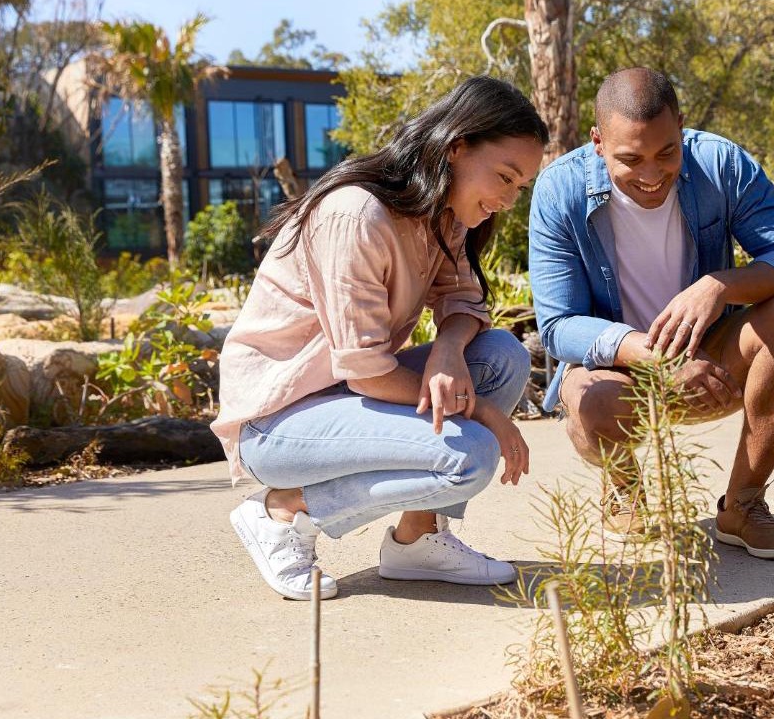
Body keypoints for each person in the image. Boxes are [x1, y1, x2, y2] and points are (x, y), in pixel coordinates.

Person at [211, 76, 549, 600]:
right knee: (469, 456)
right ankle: (282, 509)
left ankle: (418, 540)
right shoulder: (355, 214)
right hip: (277, 422)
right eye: (504, 177)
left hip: (345, 397)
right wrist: (481, 410)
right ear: (456, 147)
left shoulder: (443, 214)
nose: (507, 200)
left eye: (519, 187)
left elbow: (464, 302)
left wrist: (447, 349)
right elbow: (368, 373)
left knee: (501, 356)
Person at [528, 67, 774, 559]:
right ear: (598, 142)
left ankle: (743, 505)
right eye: (630, 159)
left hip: (713, 363)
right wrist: (659, 358)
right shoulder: (559, 190)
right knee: (589, 399)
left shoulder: (720, 164)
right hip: (620, 370)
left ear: (681, 127)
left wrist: (719, 287)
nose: (651, 175)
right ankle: (624, 490)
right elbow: (559, 327)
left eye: (666, 153)